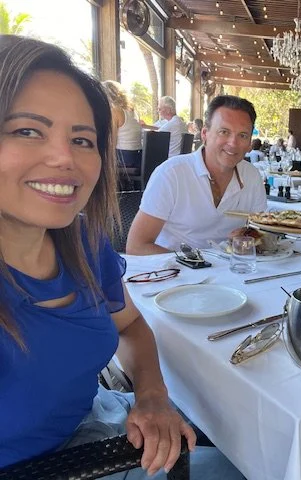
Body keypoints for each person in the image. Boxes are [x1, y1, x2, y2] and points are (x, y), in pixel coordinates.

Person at [0, 36, 243, 479]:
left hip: (101, 418)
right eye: (27, 131)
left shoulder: (82, 242)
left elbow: (130, 323)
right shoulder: (171, 175)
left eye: (82, 139)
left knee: (242, 440)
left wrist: (151, 394)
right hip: (57, 466)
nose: (65, 158)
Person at [126, 95, 267, 254]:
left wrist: (249, 238)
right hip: (175, 267)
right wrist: (199, 262)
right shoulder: (171, 174)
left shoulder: (252, 176)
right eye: (224, 132)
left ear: (249, 143)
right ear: (205, 134)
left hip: (231, 267)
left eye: (242, 135)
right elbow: (136, 246)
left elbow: (262, 235)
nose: (233, 143)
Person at [102, 80, 143, 170]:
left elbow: (112, 141)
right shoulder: (131, 110)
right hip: (138, 157)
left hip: (124, 157)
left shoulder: (115, 111)